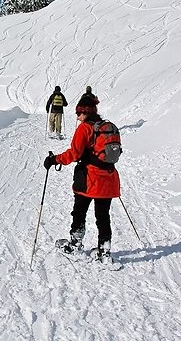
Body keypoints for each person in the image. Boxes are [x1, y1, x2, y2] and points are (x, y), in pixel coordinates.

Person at [43, 95, 120, 263]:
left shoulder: (85, 128)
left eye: (79, 113)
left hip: (88, 180)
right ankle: (104, 252)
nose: (77, 117)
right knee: (103, 216)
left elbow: (74, 154)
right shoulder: (109, 127)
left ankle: (75, 244)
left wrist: (54, 159)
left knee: (79, 212)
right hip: (108, 179)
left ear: (85, 113)